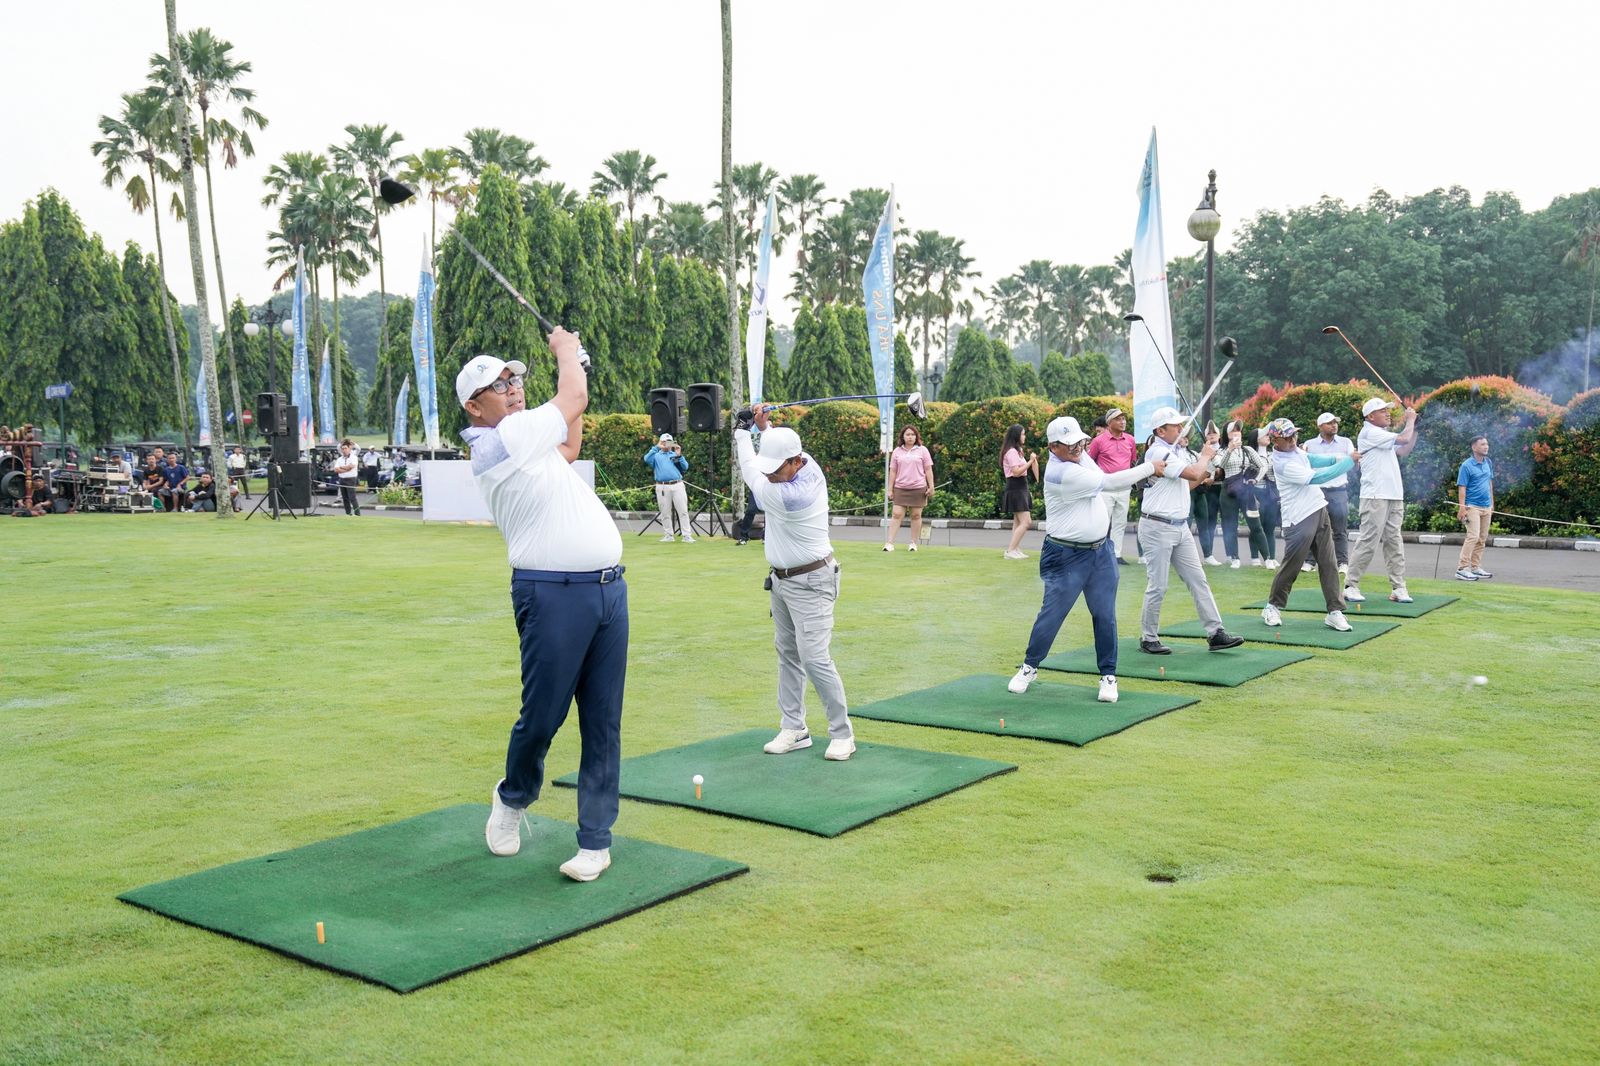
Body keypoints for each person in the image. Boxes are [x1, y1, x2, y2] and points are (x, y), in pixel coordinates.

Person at [464, 337, 626, 884]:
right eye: (500, 385)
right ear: (475, 406)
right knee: (543, 718)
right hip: (550, 594)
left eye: (516, 382)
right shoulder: (498, 442)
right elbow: (572, 399)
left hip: (608, 592)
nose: (514, 391)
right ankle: (512, 798)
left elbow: (570, 445)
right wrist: (568, 351)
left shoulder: (527, 441)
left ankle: (595, 841)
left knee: (602, 720)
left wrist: (575, 370)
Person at [1007, 416, 1166, 704]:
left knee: (1105, 615)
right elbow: (1111, 483)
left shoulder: (1080, 458)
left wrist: (1147, 470)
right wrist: (1149, 467)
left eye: (1079, 440)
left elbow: (1106, 475)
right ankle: (1029, 667)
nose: (1077, 446)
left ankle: (1108, 675)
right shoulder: (1061, 473)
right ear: (1053, 447)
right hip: (1065, 555)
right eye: (1069, 444)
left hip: (1100, 552)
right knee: (1052, 615)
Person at [734, 403, 855, 760]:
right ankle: (794, 728)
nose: (770, 475)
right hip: (782, 582)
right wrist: (763, 426)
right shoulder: (805, 461)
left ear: (796, 462)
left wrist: (743, 431)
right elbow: (773, 450)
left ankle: (842, 734)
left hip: (813, 582)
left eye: (776, 470)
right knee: (787, 654)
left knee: (815, 658)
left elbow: (748, 467)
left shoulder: (785, 494)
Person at [1136, 408, 1243, 656]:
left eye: (1180, 424)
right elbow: (1194, 472)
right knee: (1158, 585)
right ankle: (1148, 637)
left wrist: (1207, 466)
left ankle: (1215, 633)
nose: (1180, 428)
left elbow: (1190, 483)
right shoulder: (1158, 452)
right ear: (1160, 431)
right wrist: (1204, 458)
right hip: (1157, 526)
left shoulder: (1177, 452)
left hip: (1179, 526)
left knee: (1198, 579)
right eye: (1175, 425)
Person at [1260, 418, 1358, 631]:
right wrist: (1348, 462)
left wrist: (1340, 457)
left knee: (1329, 563)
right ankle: (1272, 606)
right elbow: (1318, 477)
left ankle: (1335, 611)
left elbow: (1315, 459)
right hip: (1298, 518)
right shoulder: (1282, 463)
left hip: (1318, 509)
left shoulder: (1297, 452)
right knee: (1292, 566)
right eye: (1287, 437)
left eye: (1294, 434)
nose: (1293, 439)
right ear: (1275, 440)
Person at [1344, 397, 1419, 604]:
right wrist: (1410, 420)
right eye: (1382, 410)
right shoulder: (1369, 432)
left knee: (1394, 541)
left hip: (1394, 494)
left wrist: (1416, 429)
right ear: (1370, 416)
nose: (1387, 413)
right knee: (1369, 540)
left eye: (1388, 410)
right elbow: (1403, 439)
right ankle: (1351, 585)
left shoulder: (1383, 435)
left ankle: (1399, 588)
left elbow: (1404, 449)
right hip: (1375, 495)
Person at [1210, 420, 1271, 568]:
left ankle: (1268, 558)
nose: (1237, 432)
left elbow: (1263, 466)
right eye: (1233, 430)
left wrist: (1255, 480)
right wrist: (1230, 449)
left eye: (1238, 430)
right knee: (1230, 526)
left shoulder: (1248, 450)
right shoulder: (1220, 452)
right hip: (1228, 491)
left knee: (1256, 525)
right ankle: (1235, 558)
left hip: (1246, 491)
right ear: (1227, 434)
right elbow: (1221, 466)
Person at [1305, 412, 1355, 574]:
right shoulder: (1310, 444)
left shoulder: (1346, 442)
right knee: (1314, 528)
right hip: (1316, 491)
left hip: (1338, 490)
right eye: (1329, 423)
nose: (1334, 425)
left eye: (1335, 422)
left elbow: (1351, 464)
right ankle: (1310, 562)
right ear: (1320, 426)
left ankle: (1342, 562)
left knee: (1340, 529)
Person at [1086, 408, 1138, 564]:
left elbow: (1132, 461)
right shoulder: (1099, 441)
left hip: (1124, 488)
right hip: (1106, 489)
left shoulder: (1130, 440)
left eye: (1123, 419)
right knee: (1103, 522)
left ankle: (1116, 554)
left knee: (1120, 523)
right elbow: (1089, 462)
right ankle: (1098, 554)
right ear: (1109, 423)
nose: (1123, 422)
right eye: (1118, 419)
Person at [884, 424, 934, 551]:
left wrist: (931, 486)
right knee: (896, 514)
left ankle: (913, 543)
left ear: (916, 436)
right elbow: (893, 471)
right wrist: (890, 489)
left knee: (916, 515)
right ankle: (889, 543)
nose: (910, 437)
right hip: (901, 487)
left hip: (918, 488)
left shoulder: (923, 450)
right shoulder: (897, 451)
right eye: (907, 434)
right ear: (903, 436)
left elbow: (928, 469)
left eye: (913, 434)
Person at [1456, 435, 1494, 581]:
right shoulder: (1466, 466)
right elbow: (1462, 488)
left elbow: (1489, 483)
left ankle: (1475, 567)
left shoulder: (1488, 462)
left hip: (1486, 506)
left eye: (1487, 444)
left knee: (1482, 538)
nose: (1486, 446)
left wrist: (1492, 503)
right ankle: (1462, 569)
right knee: (1473, 537)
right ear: (1474, 447)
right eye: (1483, 444)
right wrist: (1462, 508)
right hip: (1472, 507)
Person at [1000, 423, 1040, 559]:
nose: (1024, 436)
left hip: (1021, 486)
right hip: (1015, 487)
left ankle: (1015, 548)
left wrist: (1033, 462)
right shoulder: (1011, 452)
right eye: (1023, 434)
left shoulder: (1018, 451)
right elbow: (1016, 472)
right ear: (1017, 435)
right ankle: (1010, 550)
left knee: (1018, 522)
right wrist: (1030, 461)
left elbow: (1032, 472)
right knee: (1026, 522)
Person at [644, 432, 692, 543]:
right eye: (664, 442)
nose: (666, 444)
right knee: (665, 512)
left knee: (683, 511)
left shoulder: (674, 455)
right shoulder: (656, 456)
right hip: (662, 486)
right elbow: (646, 459)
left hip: (677, 485)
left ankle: (686, 535)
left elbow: (685, 467)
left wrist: (679, 455)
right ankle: (668, 535)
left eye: (669, 442)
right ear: (661, 442)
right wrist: (656, 447)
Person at [1254, 428, 1281, 569]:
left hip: (1270, 493)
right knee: (1256, 526)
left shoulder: (1272, 455)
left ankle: (1272, 556)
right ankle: (1254, 558)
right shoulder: (1250, 454)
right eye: (1263, 435)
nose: (1267, 437)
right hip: (1255, 491)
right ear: (1256, 439)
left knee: (1270, 527)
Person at [332, 439, 362, 516]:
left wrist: (342, 468)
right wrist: (346, 469)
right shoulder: (340, 459)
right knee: (345, 498)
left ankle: (357, 513)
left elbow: (351, 466)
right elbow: (336, 469)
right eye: (343, 448)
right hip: (342, 479)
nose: (344, 450)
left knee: (352, 497)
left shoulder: (353, 456)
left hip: (351, 479)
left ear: (350, 448)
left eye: (346, 448)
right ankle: (348, 513)